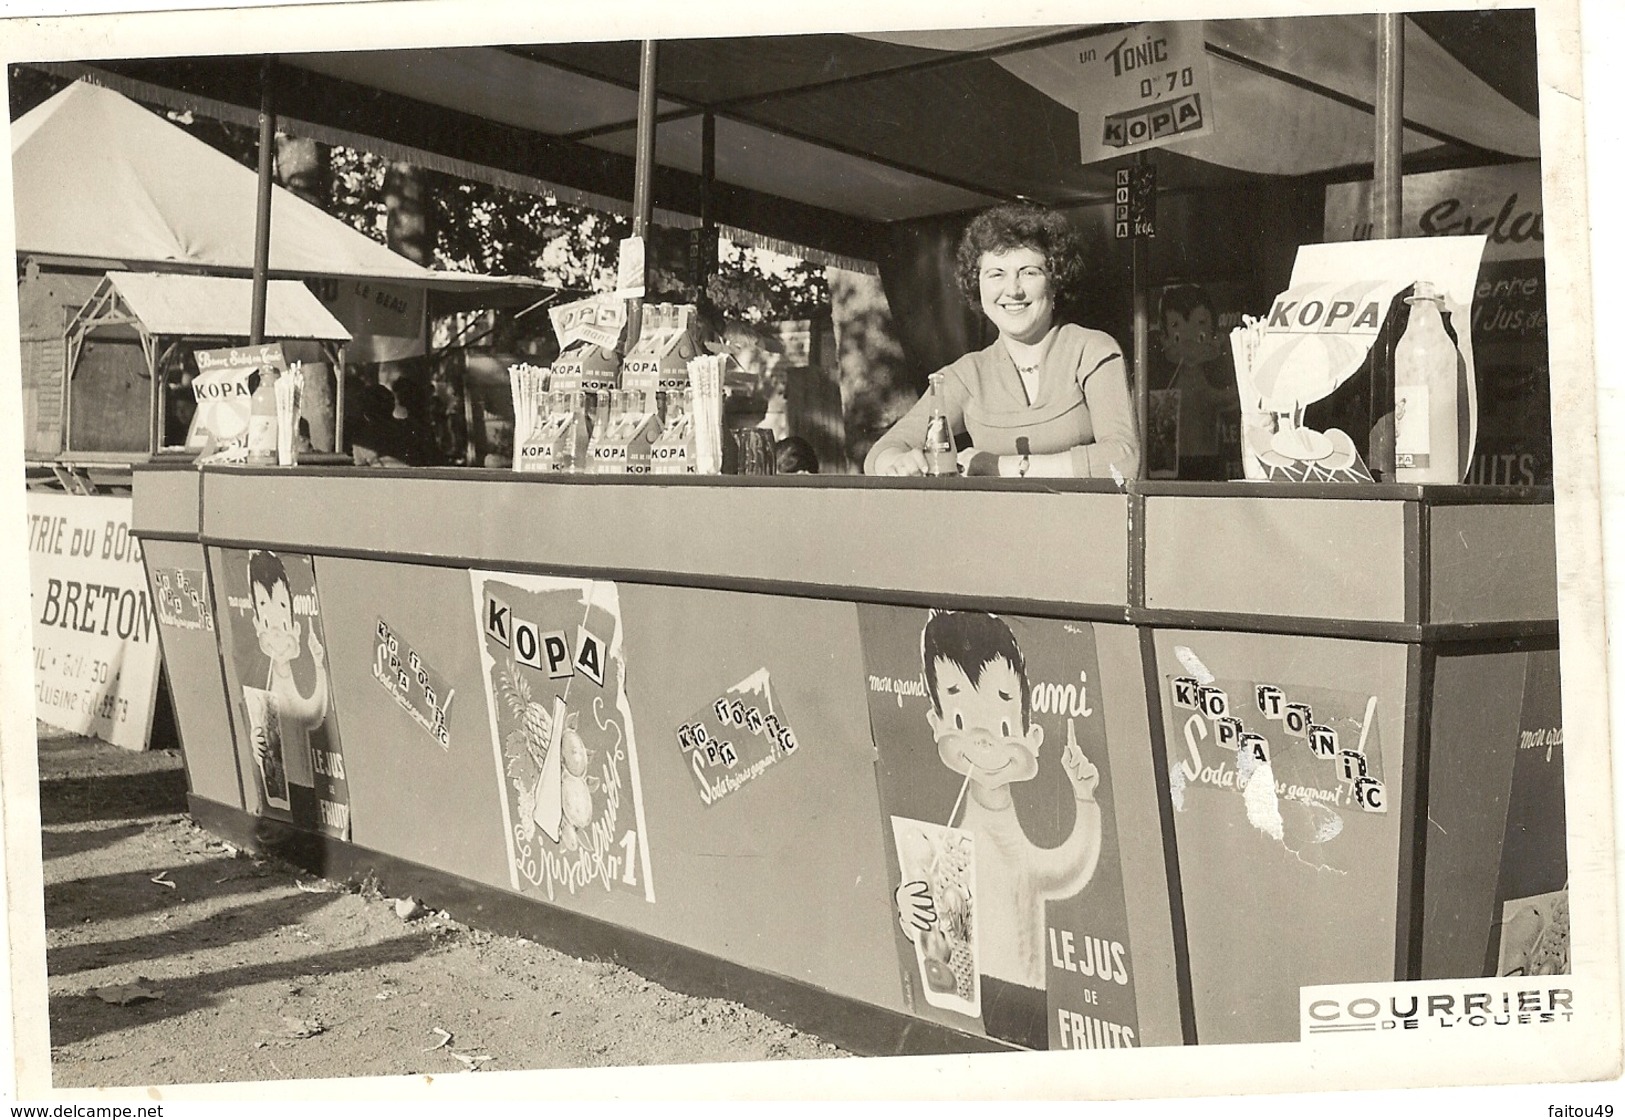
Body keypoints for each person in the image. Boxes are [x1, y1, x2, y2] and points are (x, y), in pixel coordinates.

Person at [894, 609, 1102, 1050]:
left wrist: (1084, 801)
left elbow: (1064, 870)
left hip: (1025, 985)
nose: (985, 741)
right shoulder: (939, 829)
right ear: (936, 725)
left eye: (1005, 726)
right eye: (962, 722)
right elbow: (927, 908)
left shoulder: (1022, 829)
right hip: (969, 985)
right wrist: (909, 908)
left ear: (1033, 736)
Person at [864, 203, 1139, 479]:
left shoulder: (1092, 350)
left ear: (1055, 282)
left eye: (1029, 272)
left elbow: (1123, 460)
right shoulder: (967, 375)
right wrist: (899, 463)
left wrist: (1000, 466)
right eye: (996, 274)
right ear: (977, 286)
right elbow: (880, 453)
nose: (1013, 290)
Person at [246, 549, 328, 824]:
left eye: (282, 611)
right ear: (257, 623)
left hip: (303, 780)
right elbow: (260, 726)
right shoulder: (261, 672)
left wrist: (318, 665)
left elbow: (312, 714)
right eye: (267, 619)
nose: (277, 631)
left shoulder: (296, 670)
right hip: (279, 782)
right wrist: (256, 743)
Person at [1154, 284, 1241, 480]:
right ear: (1164, 337)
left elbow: (1230, 400)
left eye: (1200, 323)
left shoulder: (1217, 371)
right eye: (1176, 326)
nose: (1188, 338)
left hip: (1209, 459)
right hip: (1172, 464)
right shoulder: (1165, 375)